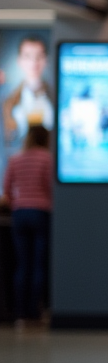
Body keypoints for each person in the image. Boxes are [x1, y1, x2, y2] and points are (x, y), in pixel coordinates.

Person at [2, 124, 52, 328]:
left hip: (19, 214)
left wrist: (19, 202)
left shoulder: (16, 159)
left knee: (22, 264)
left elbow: (7, 189)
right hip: (40, 213)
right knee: (39, 264)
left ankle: (20, 313)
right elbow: (50, 187)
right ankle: (35, 312)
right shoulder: (47, 159)